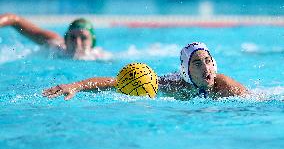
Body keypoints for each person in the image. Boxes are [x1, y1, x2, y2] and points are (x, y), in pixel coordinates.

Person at [42, 42, 248, 100]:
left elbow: (259, 102)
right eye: (197, 63)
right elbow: (115, 82)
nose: (206, 68)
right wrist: (76, 86)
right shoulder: (173, 85)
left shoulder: (226, 87)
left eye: (208, 61)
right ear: (185, 70)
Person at [0, 13, 112, 60]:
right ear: (65, 39)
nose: (77, 43)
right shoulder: (54, 45)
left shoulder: (101, 57)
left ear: (93, 42)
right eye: (72, 37)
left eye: (83, 38)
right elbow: (15, 20)